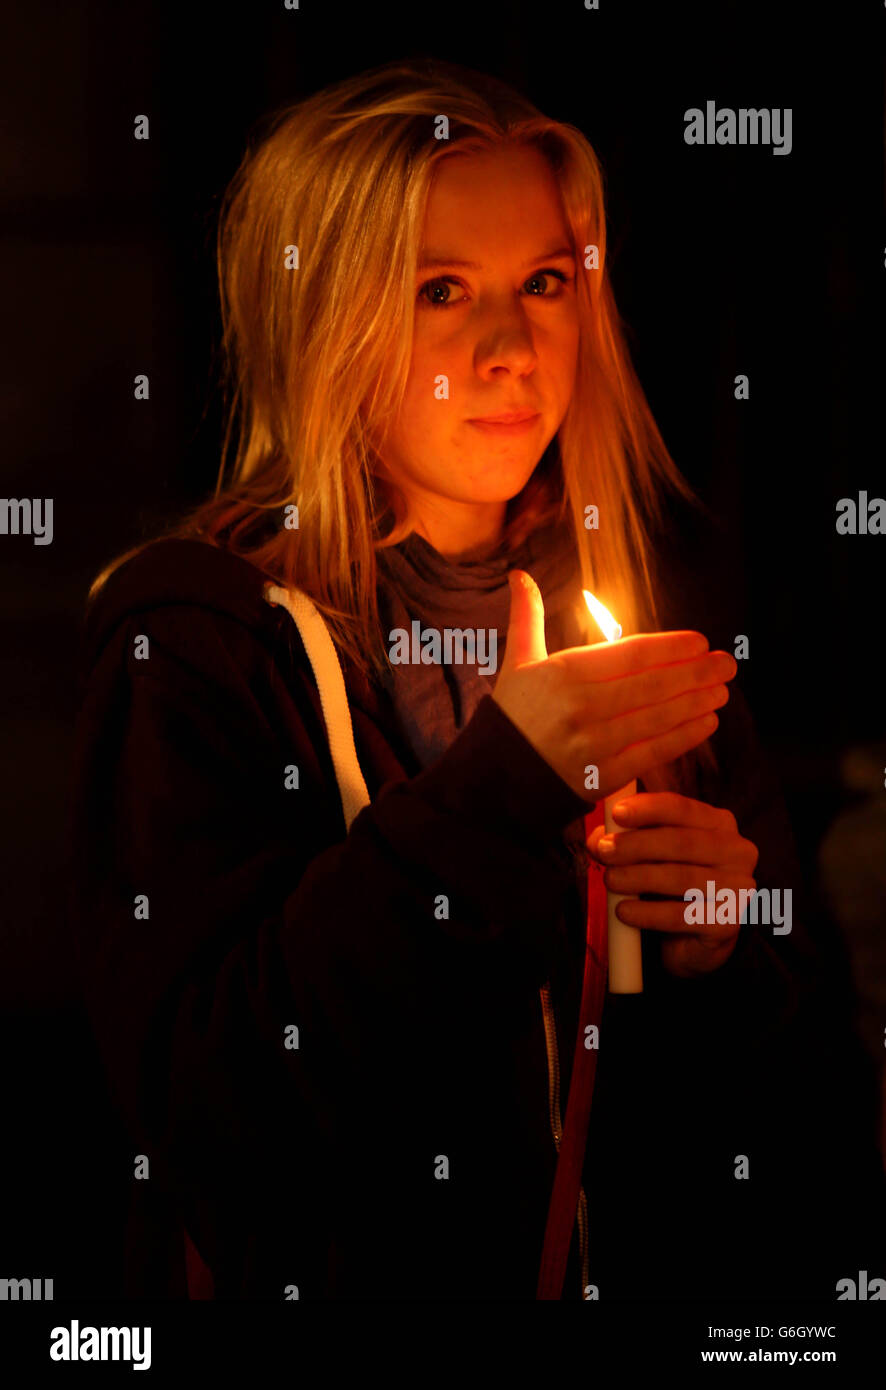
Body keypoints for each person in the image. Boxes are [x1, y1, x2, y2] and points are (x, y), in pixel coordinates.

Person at [67, 58, 883, 1301]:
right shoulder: (197, 644)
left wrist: (723, 956)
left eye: (545, 283)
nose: (511, 347)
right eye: (440, 290)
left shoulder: (634, 643)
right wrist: (505, 785)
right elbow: (207, 1106)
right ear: (320, 317)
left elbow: (811, 1139)